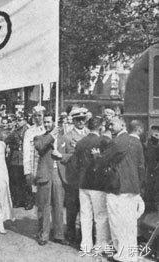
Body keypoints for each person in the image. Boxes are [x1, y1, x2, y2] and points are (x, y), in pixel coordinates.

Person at [97, 118, 145, 262]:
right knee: (130, 224)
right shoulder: (137, 143)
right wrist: (139, 188)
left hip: (118, 189)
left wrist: (95, 157)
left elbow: (103, 161)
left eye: (113, 124)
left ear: (123, 125)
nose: (110, 127)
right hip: (133, 188)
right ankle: (130, 254)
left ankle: (122, 254)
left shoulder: (117, 141)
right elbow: (141, 167)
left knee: (117, 222)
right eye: (109, 124)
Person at [71, 117, 110, 254]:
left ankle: (85, 245)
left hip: (83, 183)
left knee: (85, 214)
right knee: (100, 216)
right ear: (100, 127)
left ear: (88, 126)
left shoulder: (81, 142)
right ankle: (100, 245)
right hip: (98, 184)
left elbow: (74, 164)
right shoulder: (104, 141)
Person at [33, 113, 68, 246]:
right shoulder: (39, 137)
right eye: (45, 122)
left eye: (49, 122)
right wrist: (51, 135)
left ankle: (59, 235)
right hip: (45, 174)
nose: (47, 124)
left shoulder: (63, 137)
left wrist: (61, 155)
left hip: (58, 174)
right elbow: (40, 147)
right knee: (44, 206)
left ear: (54, 122)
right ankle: (44, 234)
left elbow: (70, 154)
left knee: (58, 205)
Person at [58, 107, 89, 244]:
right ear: (74, 121)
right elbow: (60, 157)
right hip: (73, 178)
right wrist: (74, 156)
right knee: (72, 207)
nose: (81, 122)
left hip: (88, 179)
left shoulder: (90, 134)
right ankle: (70, 232)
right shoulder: (67, 136)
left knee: (86, 208)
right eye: (78, 120)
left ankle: (84, 234)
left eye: (83, 119)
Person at [5, 115, 32, 209]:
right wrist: (13, 147)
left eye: (20, 120)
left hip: (26, 158)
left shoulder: (29, 130)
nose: (18, 122)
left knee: (27, 182)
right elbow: (6, 141)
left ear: (24, 120)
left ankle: (28, 202)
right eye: (17, 120)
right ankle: (17, 200)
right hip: (16, 159)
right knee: (16, 181)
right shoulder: (14, 132)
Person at [23, 106, 46, 198]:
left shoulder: (48, 129)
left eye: (39, 115)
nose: (37, 118)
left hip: (46, 164)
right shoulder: (29, 132)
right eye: (35, 116)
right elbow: (26, 152)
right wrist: (27, 171)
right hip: (34, 164)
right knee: (34, 190)